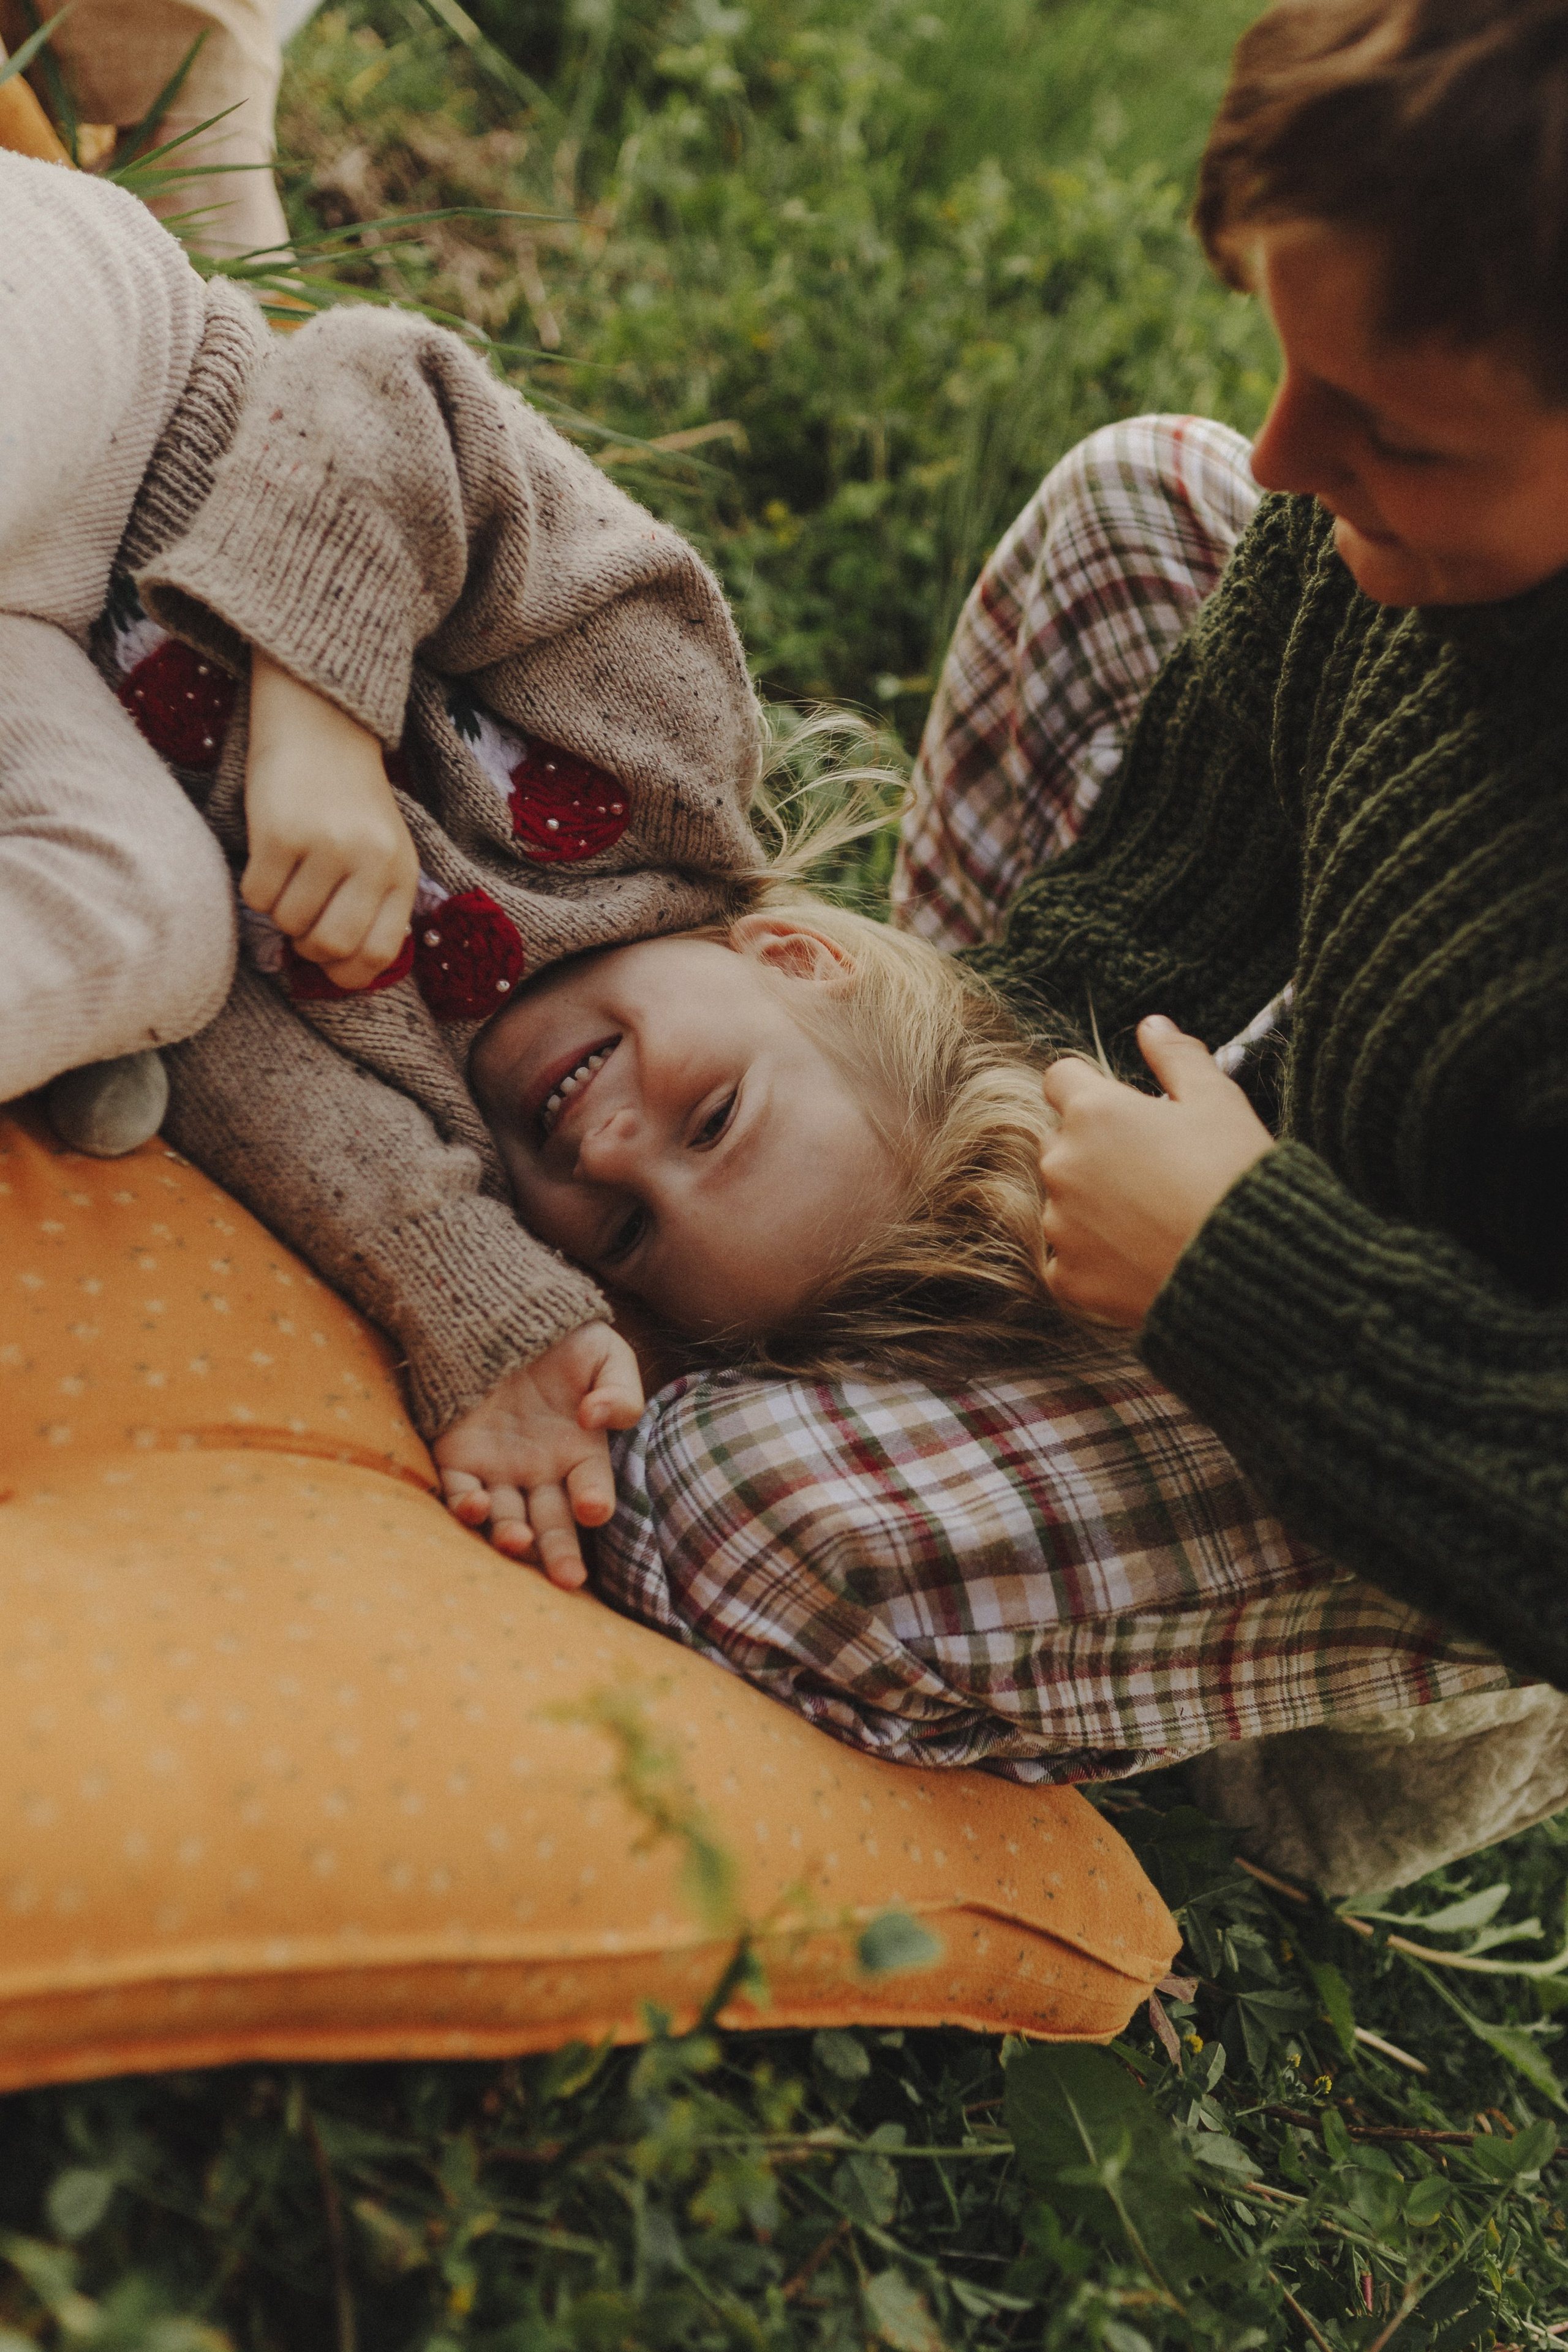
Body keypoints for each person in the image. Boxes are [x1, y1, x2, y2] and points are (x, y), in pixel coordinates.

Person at [899, 0, 1568, 1692]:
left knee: (743, 1507)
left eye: (1396, 431)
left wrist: (1236, 1271)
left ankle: (1379, 1748)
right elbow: (1158, 893)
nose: (1284, 454)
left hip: (1452, 1438)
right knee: (1148, 493)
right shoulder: (1372, 508)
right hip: (1330, 1175)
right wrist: (924, 1122)